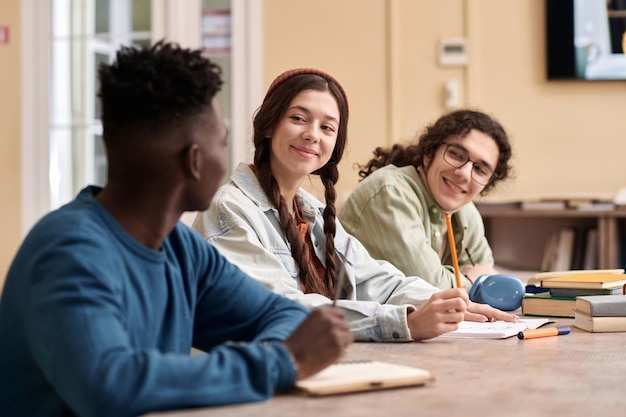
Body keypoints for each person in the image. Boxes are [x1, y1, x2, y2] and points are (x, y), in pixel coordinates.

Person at [0, 42, 354, 417]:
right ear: (195, 161)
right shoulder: (68, 252)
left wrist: (278, 357)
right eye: (222, 141)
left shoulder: (181, 248)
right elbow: (111, 387)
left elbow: (282, 315)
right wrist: (282, 361)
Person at [192, 68, 516, 344]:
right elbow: (278, 308)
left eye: (327, 127)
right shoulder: (230, 209)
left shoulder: (313, 213)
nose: (312, 135)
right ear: (267, 125)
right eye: (298, 118)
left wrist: (445, 302)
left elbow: (376, 281)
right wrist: (404, 322)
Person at [338, 109, 513, 290]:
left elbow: (490, 282)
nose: (464, 174)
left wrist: (476, 282)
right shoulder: (391, 192)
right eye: (456, 155)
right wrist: (473, 281)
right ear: (429, 154)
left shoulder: (465, 211)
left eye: (480, 169)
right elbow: (431, 289)